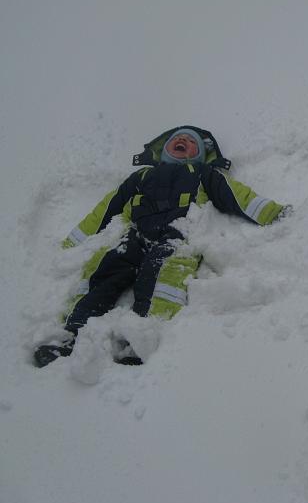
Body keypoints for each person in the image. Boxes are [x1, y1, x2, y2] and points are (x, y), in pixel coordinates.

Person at [33, 126, 292, 367]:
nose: (183, 140)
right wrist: (73, 241)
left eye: (191, 141)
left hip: (177, 232)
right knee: (104, 269)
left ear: (200, 155)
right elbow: (106, 209)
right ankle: (71, 333)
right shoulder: (141, 176)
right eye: (176, 139)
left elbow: (237, 196)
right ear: (163, 150)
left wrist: (272, 213)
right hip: (135, 233)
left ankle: (140, 338)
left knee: (164, 273)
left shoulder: (202, 173)